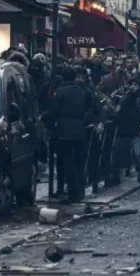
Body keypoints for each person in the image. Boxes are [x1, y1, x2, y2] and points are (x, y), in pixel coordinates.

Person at [48, 66, 99, 203]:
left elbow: (53, 111)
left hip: (65, 131)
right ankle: (80, 191)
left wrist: (47, 120)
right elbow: (91, 108)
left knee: (68, 164)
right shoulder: (81, 91)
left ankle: (73, 194)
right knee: (79, 163)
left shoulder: (61, 91)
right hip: (80, 130)